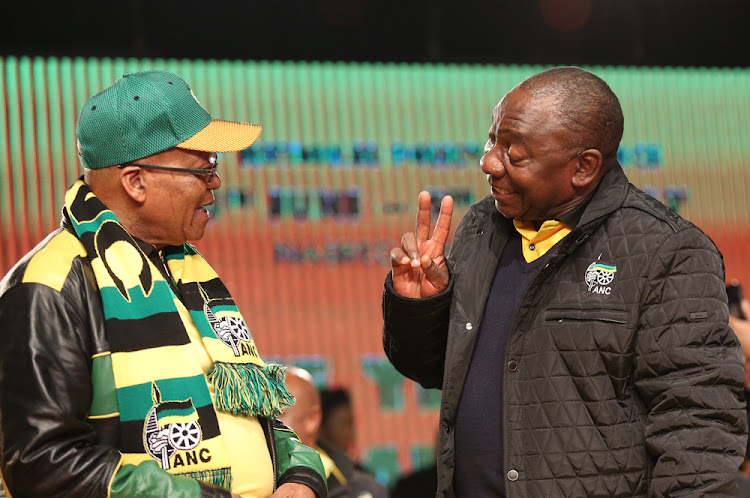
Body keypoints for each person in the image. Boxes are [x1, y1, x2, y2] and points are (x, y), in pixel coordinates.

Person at [382, 66, 748, 496]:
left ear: (583, 168)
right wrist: (421, 307)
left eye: (514, 153)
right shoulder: (481, 227)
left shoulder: (666, 251)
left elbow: (697, 423)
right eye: (492, 140)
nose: (488, 162)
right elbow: (435, 371)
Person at [0, 70, 326, 498]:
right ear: (136, 181)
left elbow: (251, 420)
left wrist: (300, 477)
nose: (216, 184)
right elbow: (41, 461)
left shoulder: (187, 275)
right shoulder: (49, 286)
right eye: (203, 168)